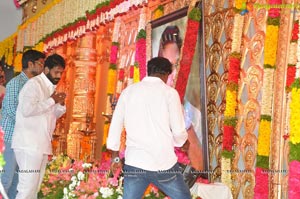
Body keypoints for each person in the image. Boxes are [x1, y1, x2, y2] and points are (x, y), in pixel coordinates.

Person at [107, 57, 192, 199]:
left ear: (149, 71)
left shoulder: (128, 92)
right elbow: (178, 131)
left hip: (135, 163)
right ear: (166, 74)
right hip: (163, 164)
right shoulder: (170, 93)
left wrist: (115, 159)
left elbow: (115, 126)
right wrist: (182, 141)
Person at [11, 53, 66, 199]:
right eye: (56, 72)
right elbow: (27, 110)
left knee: (34, 190)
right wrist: (51, 101)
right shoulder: (34, 85)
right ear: (47, 70)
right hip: (29, 144)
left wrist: (60, 104)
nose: (59, 76)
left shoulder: (49, 88)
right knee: (26, 189)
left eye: (61, 73)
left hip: (40, 144)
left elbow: (52, 115)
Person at [1, 50, 46, 199]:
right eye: (40, 63)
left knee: (18, 183)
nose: (42, 67)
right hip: (10, 138)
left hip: (24, 141)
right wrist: (31, 123)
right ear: (30, 64)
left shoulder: (35, 85)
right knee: (6, 180)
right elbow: (11, 109)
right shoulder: (16, 83)